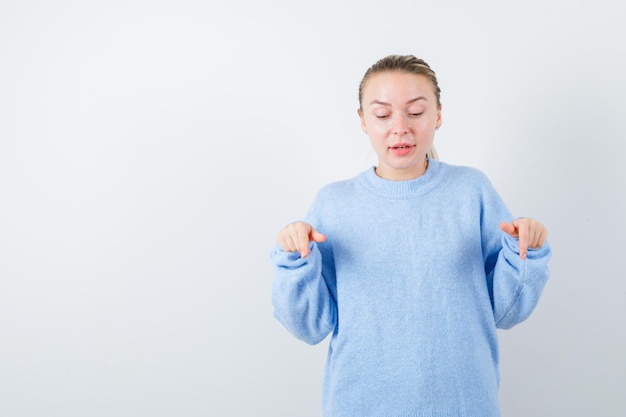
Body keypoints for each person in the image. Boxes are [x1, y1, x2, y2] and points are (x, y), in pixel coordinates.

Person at [270, 54, 551, 417]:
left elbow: (506, 311)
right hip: (361, 404)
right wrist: (293, 259)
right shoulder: (333, 203)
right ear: (362, 121)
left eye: (416, 112)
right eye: (383, 114)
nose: (400, 127)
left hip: (463, 403)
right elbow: (308, 326)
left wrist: (527, 249)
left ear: (438, 115)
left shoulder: (471, 191)